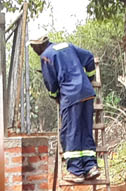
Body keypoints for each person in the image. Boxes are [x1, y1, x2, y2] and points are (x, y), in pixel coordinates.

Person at [31, 35, 99, 182]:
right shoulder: (67, 46)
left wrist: (56, 97)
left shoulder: (46, 56)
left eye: (33, 47)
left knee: (70, 131)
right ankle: (90, 167)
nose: (33, 50)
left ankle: (75, 171)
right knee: (85, 129)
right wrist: (90, 79)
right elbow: (89, 57)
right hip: (87, 93)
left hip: (70, 96)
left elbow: (51, 84)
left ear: (39, 46)